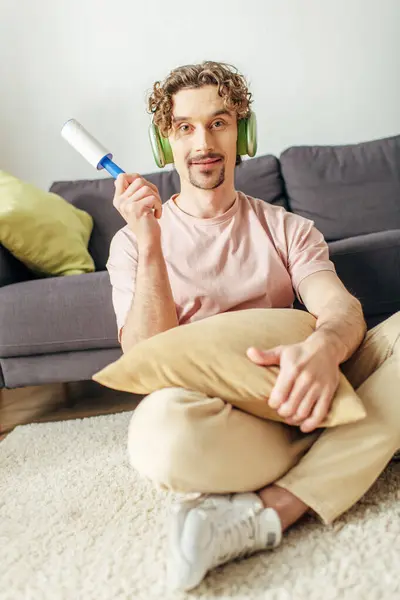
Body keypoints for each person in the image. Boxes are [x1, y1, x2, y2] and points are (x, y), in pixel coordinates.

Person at [106, 61, 400, 591]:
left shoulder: (287, 228)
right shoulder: (131, 244)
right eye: (185, 127)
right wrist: (150, 241)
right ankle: (369, 434)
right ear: (163, 143)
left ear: (244, 131)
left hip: (308, 387)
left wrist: (323, 350)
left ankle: (273, 508)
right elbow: (145, 358)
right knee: (159, 437)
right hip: (239, 418)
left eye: (219, 122)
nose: (204, 142)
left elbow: (340, 309)